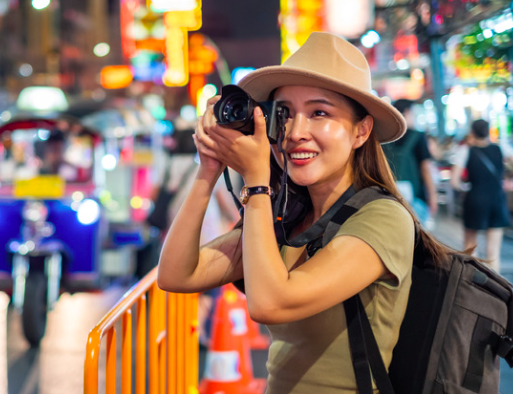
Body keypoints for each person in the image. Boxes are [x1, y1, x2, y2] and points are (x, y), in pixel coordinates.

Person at [156, 32, 454, 393]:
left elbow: (271, 303)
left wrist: (256, 181)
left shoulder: (383, 218)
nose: (296, 132)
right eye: (284, 114)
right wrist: (208, 170)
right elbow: (176, 275)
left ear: (361, 131)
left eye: (319, 113)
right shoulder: (287, 216)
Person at [451, 119, 510, 272]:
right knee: (493, 251)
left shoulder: (465, 151)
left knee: (470, 248)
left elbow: (454, 181)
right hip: (497, 199)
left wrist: (465, 189)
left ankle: (473, 288)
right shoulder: (500, 148)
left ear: (472, 132)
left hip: (475, 199)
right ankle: (496, 291)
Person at [383, 98, 438, 228]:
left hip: (389, 196)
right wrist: (433, 195)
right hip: (416, 196)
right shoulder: (418, 136)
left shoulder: (385, 137)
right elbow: (425, 167)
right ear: (407, 112)